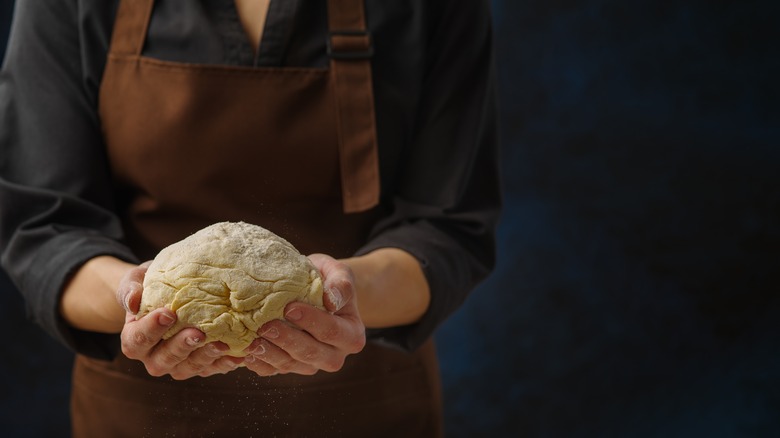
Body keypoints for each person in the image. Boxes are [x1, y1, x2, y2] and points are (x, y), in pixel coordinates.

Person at [0, 0, 500, 436]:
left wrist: (339, 297)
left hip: (365, 404)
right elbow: (45, 225)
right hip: (141, 410)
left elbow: (448, 224)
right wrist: (135, 299)